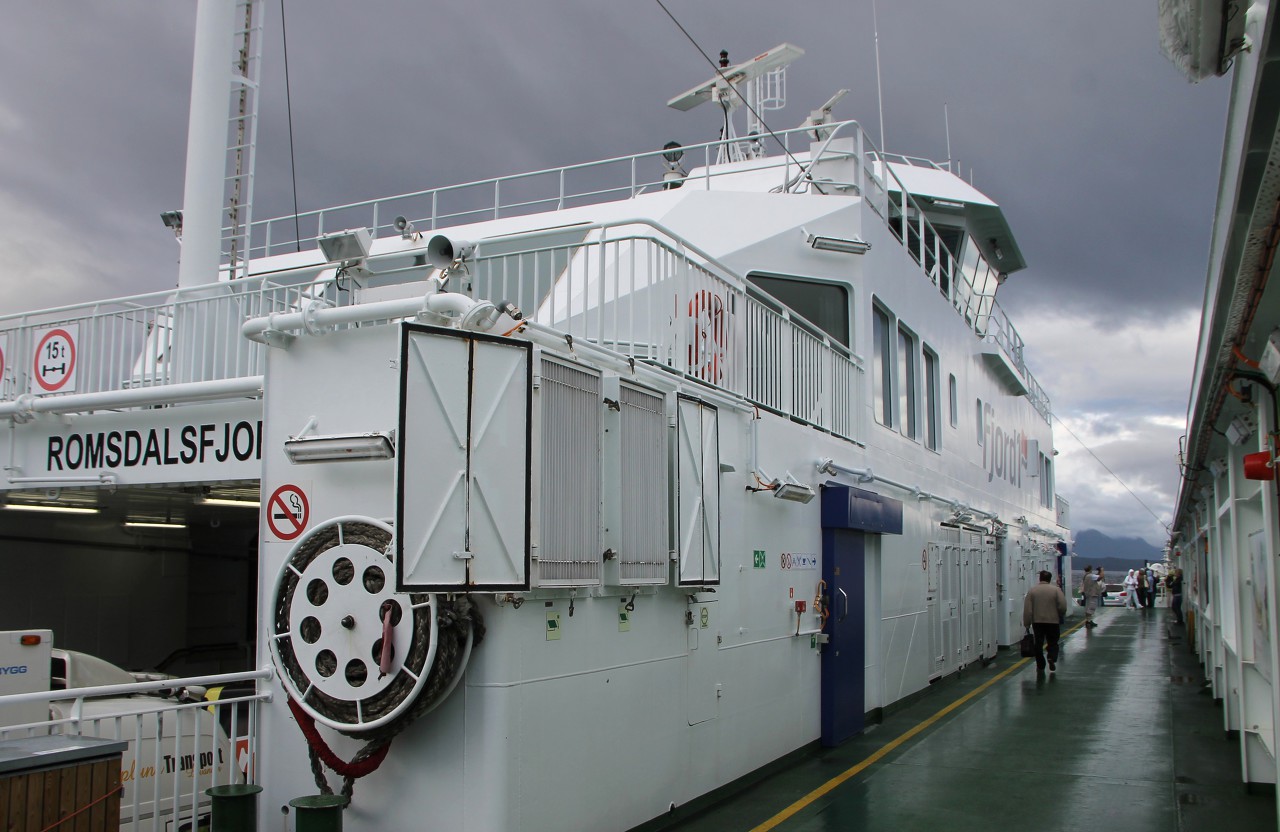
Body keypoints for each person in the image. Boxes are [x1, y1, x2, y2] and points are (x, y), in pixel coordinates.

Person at [1023, 570, 1067, 673]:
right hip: (1053, 621)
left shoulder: (1032, 591)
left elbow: (1028, 609)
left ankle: (1040, 664)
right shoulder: (1056, 590)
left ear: (1040, 578)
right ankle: (1051, 657)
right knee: (1053, 642)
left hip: (1037, 622)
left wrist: (1027, 623)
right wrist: (1060, 614)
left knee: (1038, 643)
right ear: (1050, 579)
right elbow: (1062, 606)